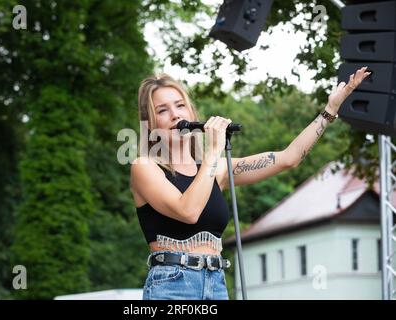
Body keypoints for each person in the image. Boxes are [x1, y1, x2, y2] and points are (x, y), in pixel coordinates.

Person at [130, 67, 371, 300]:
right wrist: (213, 151)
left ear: (192, 114)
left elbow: (289, 158)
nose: (175, 114)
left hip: (215, 281)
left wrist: (330, 109)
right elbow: (188, 211)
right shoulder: (145, 167)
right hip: (172, 284)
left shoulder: (219, 169)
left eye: (180, 105)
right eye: (163, 110)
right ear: (151, 124)